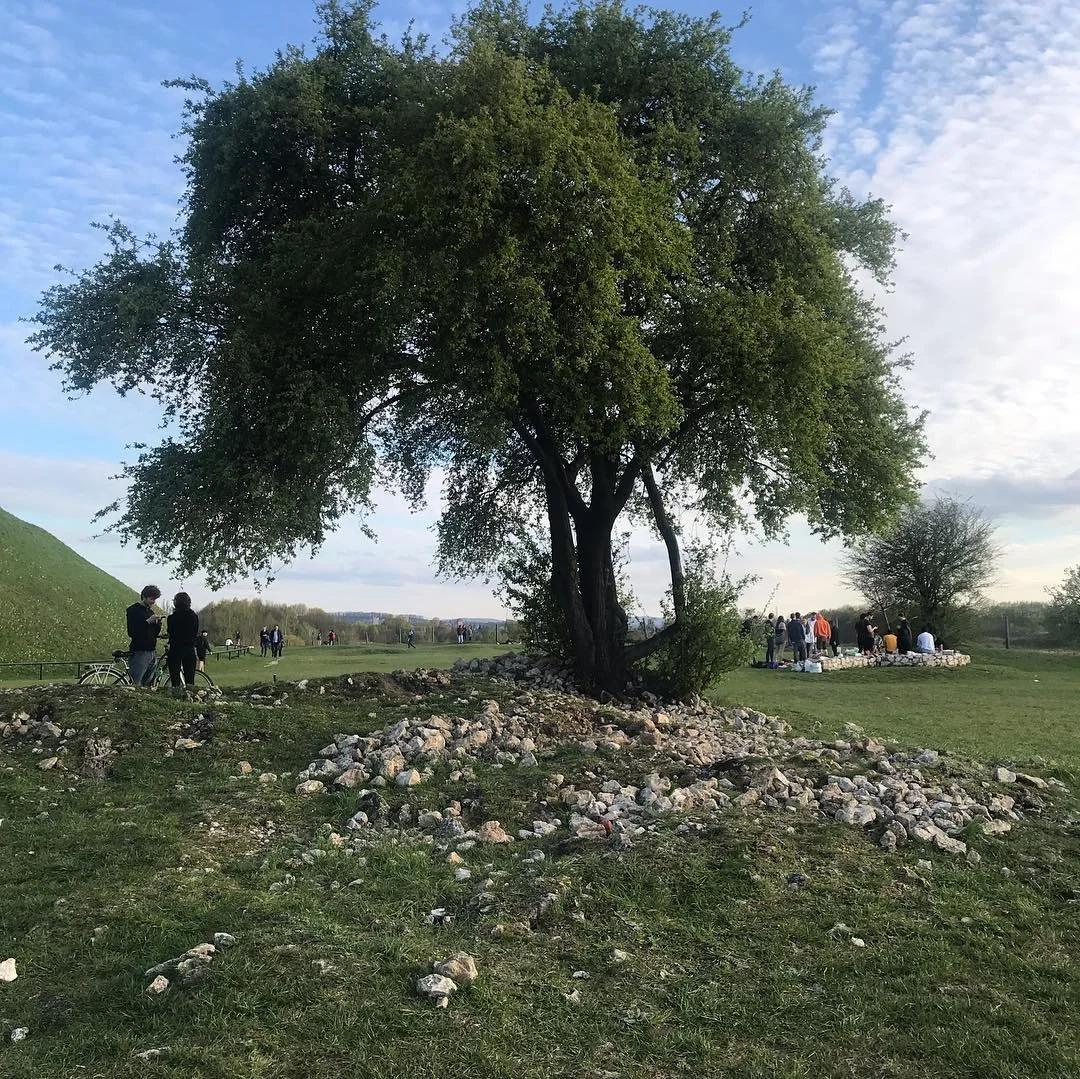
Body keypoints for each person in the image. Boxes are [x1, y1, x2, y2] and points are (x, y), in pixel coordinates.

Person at [126, 585, 163, 686]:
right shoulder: (133, 610)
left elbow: (153, 634)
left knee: (148, 684)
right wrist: (147, 622)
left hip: (152, 651)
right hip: (139, 652)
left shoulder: (150, 611)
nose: (153, 602)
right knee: (136, 683)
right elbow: (132, 632)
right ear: (144, 596)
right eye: (152, 598)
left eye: (155, 599)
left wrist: (158, 625)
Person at [166, 592, 199, 687]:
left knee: (175, 678)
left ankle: (176, 695)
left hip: (175, 649)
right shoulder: (193, 617)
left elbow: (170, 632)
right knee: (190, 679)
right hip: (189, 648)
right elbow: (195, 631)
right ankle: (190, 696)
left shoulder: (172, 618)